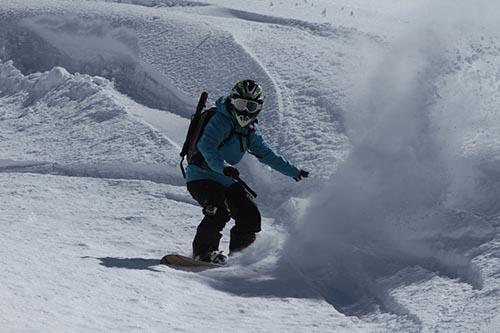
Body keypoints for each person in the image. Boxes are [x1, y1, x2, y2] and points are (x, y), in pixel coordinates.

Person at [185, 80, 309, 264]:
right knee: (217, 210)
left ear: (258, 108)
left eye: (250, 106)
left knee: (250, 213)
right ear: (232, 102)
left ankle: (240, 257)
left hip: (225, 179)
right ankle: (203, 253)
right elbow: (206, 146)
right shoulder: (221, 120)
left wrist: (294, 171)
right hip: (201, 175)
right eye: (240, 104)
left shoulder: (249, 132)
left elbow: (268, 155)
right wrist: (223, 166)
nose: (245, 111)